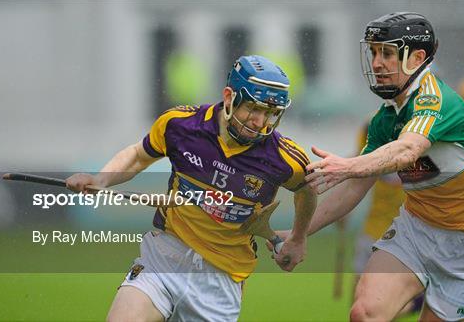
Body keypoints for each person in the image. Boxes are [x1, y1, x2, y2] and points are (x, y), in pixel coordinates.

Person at [276, 12, 464, 321]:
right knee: (364, 313)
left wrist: (349, 165)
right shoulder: (386, 118)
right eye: (374, 52)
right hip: (416, 227)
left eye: (387, 53)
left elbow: (407, 150)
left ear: (417, 58)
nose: (376, 63)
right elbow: (354, 188)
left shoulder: (436, 100)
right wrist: (299, 234)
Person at [66, 55, 317, 321]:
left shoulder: (284, 157)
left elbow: (307, 190)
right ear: (229, 97)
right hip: (164, 257)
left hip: (220, 280)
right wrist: (100, 180)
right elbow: (139, 155)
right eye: (253, 109)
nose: (259, 122)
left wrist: (298, 237)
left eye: (270, 113)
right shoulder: (180, 125)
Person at [335, 123, 424, 316]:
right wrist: (343, 209)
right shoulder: (373, 126)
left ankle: (417, 303)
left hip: (408, 231)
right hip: (374, 226)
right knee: (358, 303)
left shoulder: (424, 128)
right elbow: (359, 164)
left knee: (384, 305)